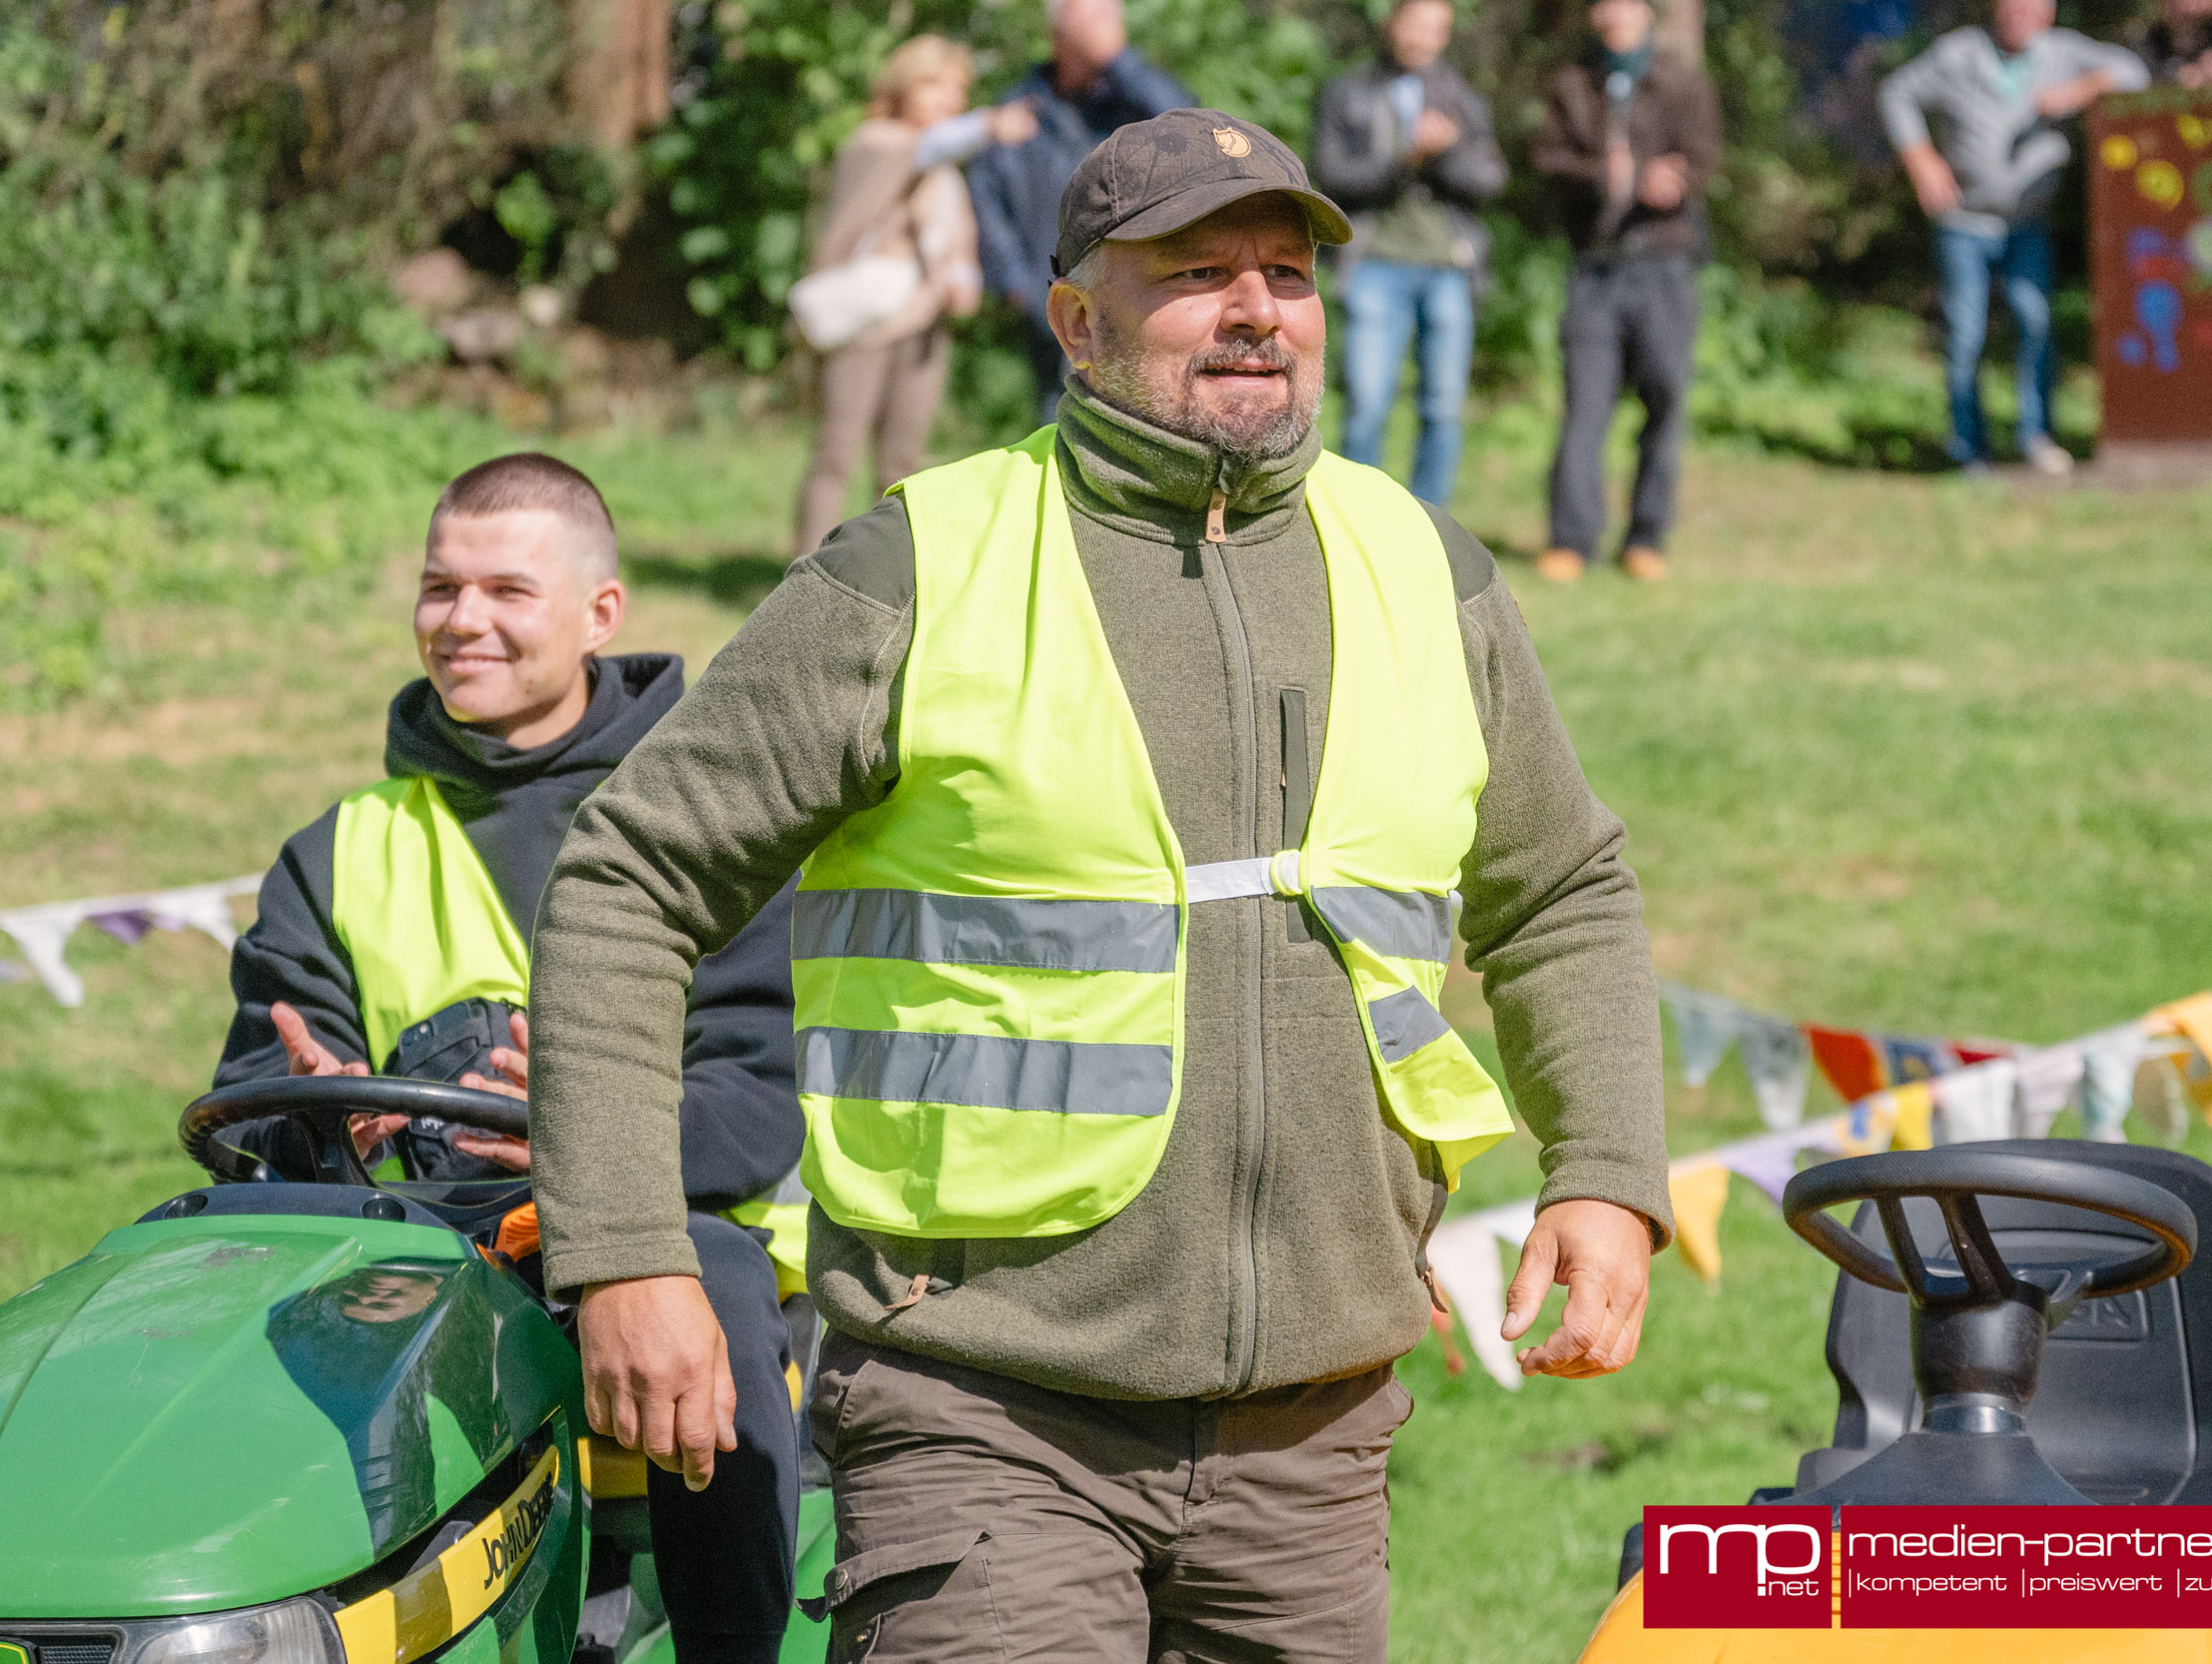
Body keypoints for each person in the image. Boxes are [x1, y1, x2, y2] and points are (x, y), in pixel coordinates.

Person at [530, 109, 1673, 1662]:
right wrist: (625, 1249)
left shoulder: (1424, 564)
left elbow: (1563, 892)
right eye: (1198, 273)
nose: (1256, 308)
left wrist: (1606, 1168)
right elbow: (630, 879)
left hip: (1317, 1437)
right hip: (983, 1409)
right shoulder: (918, 567)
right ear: (1076, 320)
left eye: (1286, 271)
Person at [214, 452, 809, 1664]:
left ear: (601, 613)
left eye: (505, 590)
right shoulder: (341, 851)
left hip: (660, 1229)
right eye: (440, 587)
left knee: (708, 1285)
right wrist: (310, 1123)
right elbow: (250, 1106)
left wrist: (590, 1138)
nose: (461, 619)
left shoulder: (716, 825)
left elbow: (758, 1106)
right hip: (409, 1245)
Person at [791, 37, 1038, 557]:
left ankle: (887, 573)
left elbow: (957, 239)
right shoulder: (876, 142)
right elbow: (924, 150)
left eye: (958, 88)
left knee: (903, 462)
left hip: (925, 324)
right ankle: (805, 570)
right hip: (867, 323)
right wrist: (987, 125)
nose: (948, 97)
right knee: (836, 454)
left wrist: (964, 279)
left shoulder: (946, 174)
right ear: (901, 86)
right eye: (933, 83)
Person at [1880, 0, 2147, 476]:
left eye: (2032, 7)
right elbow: (1896, 92)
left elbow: (2134, 72)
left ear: (2049, 14)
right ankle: (1969, 449)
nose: (2020, 15)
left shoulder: (2062, 53)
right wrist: (1921, 159)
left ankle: (2036, 438)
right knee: (1966, 333)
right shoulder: (1960, 54)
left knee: (2036, 322)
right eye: (2012, 6)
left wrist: (2080, 90)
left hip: (2029, 223)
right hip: (1964, 220)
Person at [1534, 0, 1720, 584]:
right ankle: (1571, 539)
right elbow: (1546, 159)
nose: (1614, 15)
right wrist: (1600, 175)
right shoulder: (1572, 84)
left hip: (1664, 264)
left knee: (1665, 396)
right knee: (1585, 406)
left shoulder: (1683, 83)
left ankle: (1646, 537)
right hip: (1595, 267)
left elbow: (1705, 160)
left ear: (1647, 14)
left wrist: (1675, 181)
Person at [1314, 0, 1507, 508]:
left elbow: (1491, 179)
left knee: (1443, 407)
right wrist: (1406, 158)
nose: (1423, 37)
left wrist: (1444, 155)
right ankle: (1359, 517)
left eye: (1436, 28)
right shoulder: (1348, 91)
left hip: (1448, 268)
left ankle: (1430, 523)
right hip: (1373, 261)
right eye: (1415, 24)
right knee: (1367, 404)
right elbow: (1331, 176)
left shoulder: (1462, 98)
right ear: (1392, 24)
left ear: (1446, 36)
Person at [969, 0, 1191, 422]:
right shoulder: (1021, 106)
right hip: (1045, 287)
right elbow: (987, 197)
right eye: (1091, 19)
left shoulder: (1131, 101)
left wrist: (1120, 61)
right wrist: (1014, 281)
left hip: (1132, 283)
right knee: (1059, 416)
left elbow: (1188, 129)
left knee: (1140, 415)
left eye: (1109, 18)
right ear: (1057, 33)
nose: (1104, 29)